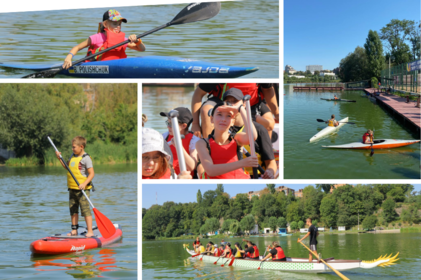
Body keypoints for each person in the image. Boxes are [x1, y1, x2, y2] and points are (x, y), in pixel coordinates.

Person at [196, 97, 259, 179]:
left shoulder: (237, 139)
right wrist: (242, 163)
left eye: (228, 116)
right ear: (212, 119)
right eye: (219, 114)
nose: (223, 119)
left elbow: (252, 136)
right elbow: (210, 171)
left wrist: (241, 109)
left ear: (233, 122)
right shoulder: (202, 143)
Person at [62, 9, 145, 69]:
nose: (118, 27)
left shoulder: (123, 39)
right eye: (114, 24)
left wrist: (137, 40)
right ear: (105, 24)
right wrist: (69, 58)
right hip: (95, 68)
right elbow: (77, 47)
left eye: (119, 24)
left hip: (116, 68)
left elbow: (142, 49)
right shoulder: (96, 38)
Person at [222, 88, 277, 179]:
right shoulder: (221, 129)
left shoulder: (259, 129)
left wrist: (269, 172)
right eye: (228, 102)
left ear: (244, 104)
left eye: (235, 101)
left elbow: (271, 163)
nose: (231, 105)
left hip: (254, 176)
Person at [191, 83, 278, 139]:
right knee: (206, 111)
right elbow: (198, 93)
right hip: (222, 101)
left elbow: (268, 89)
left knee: (269, 124)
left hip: (251, 104)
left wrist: (277, 113)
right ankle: (209, 150)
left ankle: (267, 157)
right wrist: (195, 124)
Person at [54, 136, 95, 237]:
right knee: (73, 210)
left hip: (82, 190)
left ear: (81, 146)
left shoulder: (86, 158)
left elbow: (91, 174)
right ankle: (74, 230)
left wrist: (84, 184)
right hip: (72, 189)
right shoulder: (73, 156)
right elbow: (67, 167)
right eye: (72, 147)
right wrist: (59, 158)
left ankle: (90, 231)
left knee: (85, 211)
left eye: (74, 147)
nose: (72, 149)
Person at [160, 107, 201, 177]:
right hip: (167, 176)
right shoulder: (164, 136)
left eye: (171, 124)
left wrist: (179, 146)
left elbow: (192, 166)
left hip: (184, 177)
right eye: (167, 123)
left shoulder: (194, 140)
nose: (168, 127)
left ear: (184, 126)